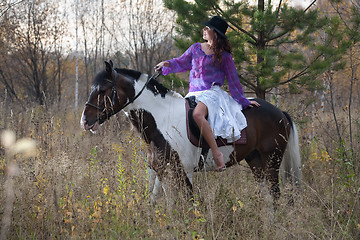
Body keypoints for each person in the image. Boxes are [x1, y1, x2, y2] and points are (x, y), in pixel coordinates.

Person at [155, 16, 260, 171]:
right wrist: (166, 64)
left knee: (197, 115)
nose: (204, 30)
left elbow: (233, 81)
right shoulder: (195, 48)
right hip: (193, 93)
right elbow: (181, 62)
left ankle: (217, 155)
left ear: (215, 33)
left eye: (207, 28)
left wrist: (244, 102)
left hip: (212, 93)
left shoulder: (224, 56)